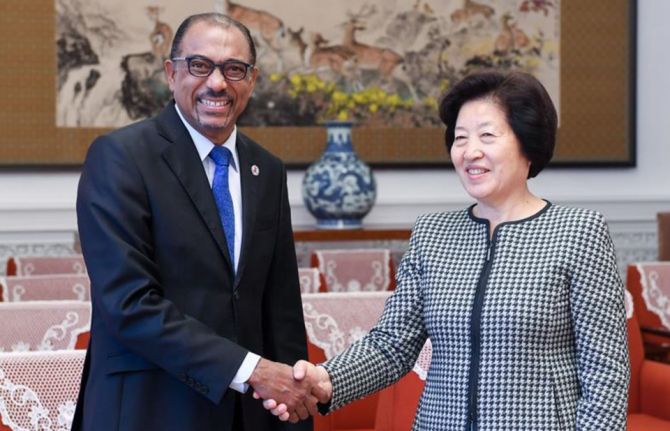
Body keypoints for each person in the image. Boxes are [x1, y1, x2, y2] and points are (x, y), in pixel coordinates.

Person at [264, 70, 631, 430]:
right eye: (460, 138)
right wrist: (327, 379)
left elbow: (606, 371)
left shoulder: (580, 232)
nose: (470, 152)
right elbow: (392, 344)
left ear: (528, 142)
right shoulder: (432, 234)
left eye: (487, 136)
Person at [72, 13, 324, 431]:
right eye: (200, 66)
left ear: (252, 80)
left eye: (234, 69)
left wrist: (293, 409)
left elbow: (280, 312)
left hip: (250, 416)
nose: (217, 83)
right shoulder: (121, 158)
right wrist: (252, 371)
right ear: (171, 73)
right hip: (150, 409)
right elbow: (129, 304)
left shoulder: (268, 169)